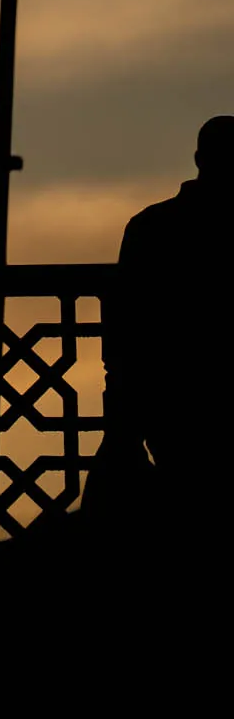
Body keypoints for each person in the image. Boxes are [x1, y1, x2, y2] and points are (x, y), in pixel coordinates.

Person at [100, 115, 234, 549]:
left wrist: (121, 422)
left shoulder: (149, 227)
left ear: (198, 159)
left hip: (168, 409)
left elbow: (122, 332)